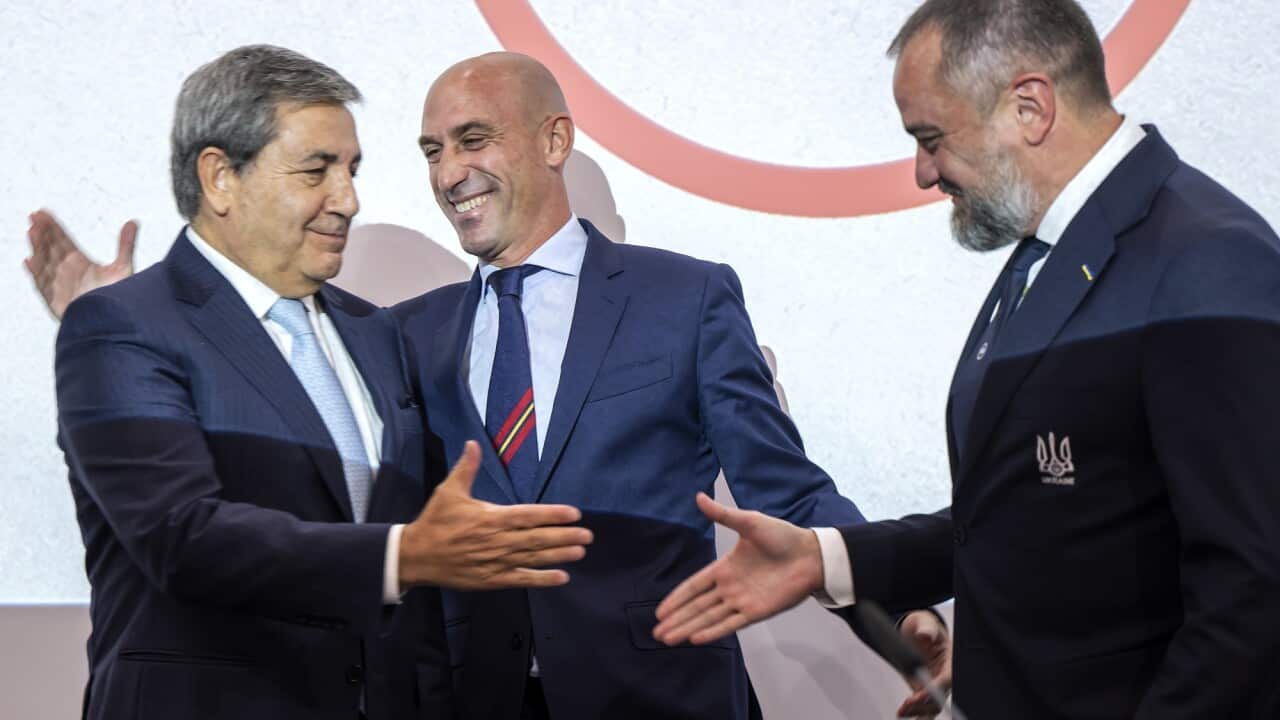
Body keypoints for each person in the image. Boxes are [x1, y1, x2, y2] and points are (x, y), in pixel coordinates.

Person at [653, 0, 1280, 717]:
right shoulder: (1045, 257)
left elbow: (1254, 589)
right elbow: (1023, 515)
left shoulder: (1207, 260)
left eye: (930, 138)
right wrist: (827, 560)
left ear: (1029, 108)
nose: (923, 173)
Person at [393, 52, 946, 720]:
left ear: (554, 140)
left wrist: (901, 614)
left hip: (665, 696)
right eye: (433, 151)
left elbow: (787, 493)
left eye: (473, 139)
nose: (450, 173)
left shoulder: (686, 298)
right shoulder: (408, 337)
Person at [53, 45, 591, 720]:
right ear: (220, 176)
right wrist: (406, 553)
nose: (349, 200)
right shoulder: (121, 326)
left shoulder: (377, 334)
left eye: (352, 170)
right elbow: (182, 537)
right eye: (318, 170)